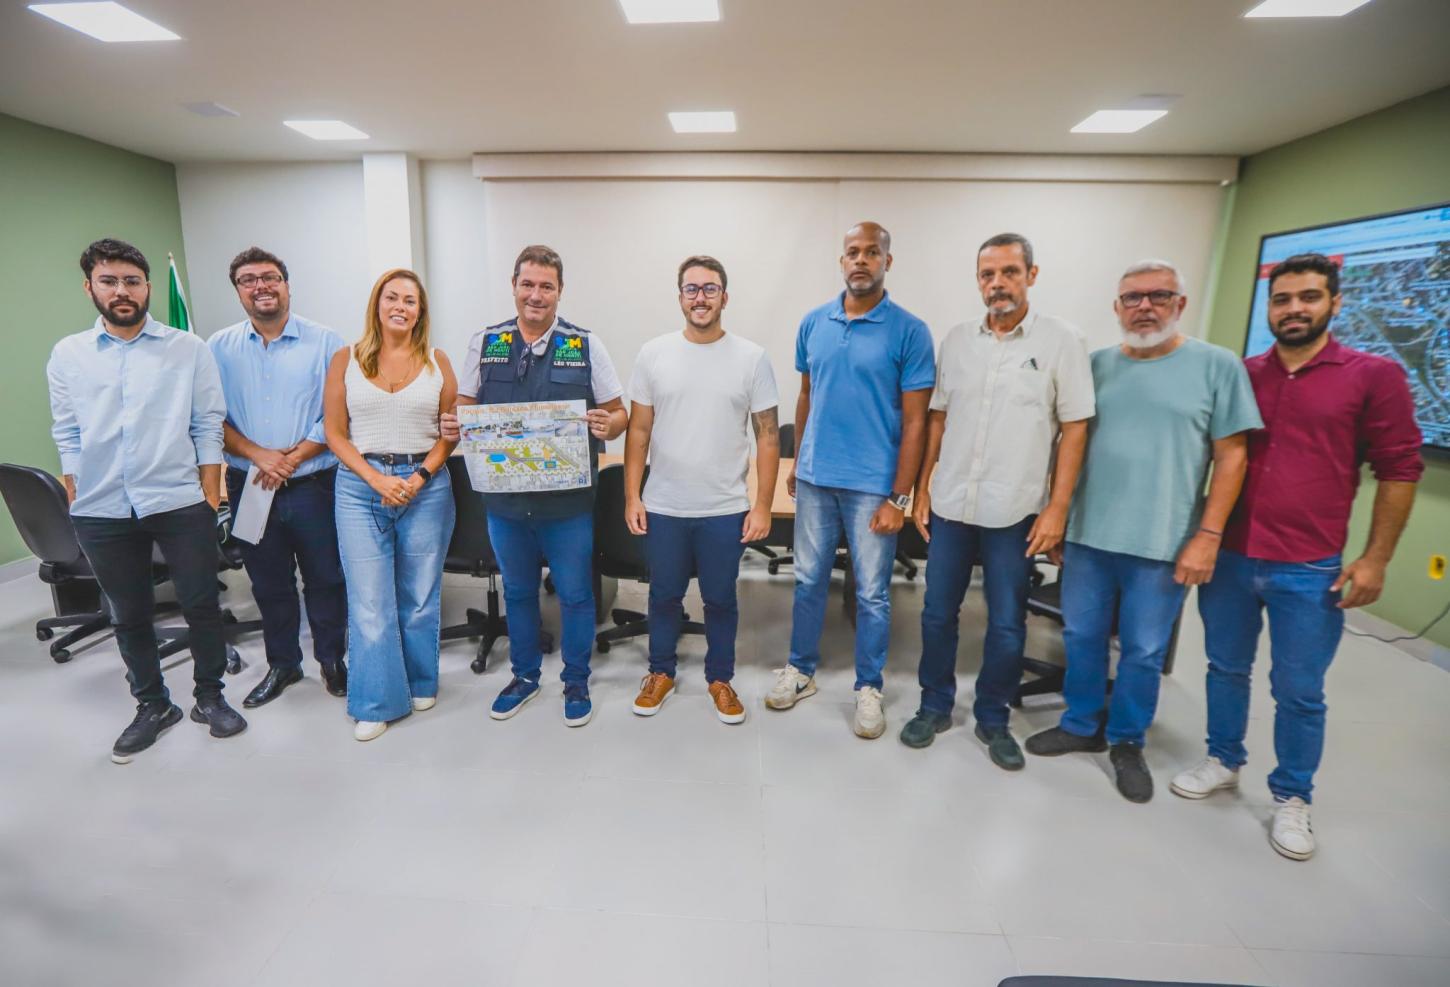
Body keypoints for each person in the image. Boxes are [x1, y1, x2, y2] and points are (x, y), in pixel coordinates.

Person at [1170, 253, 1423, 860]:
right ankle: (1223, 759)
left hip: (1309, 565)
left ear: (1335, 302)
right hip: (1231, 555)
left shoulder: (1373, 375)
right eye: (1282, 299)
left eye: (1308, 297)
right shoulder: (1243, 374)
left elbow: (1399, 469)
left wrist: (1376, 559)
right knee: (1225, 668)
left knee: (1299, 688)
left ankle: (1292, 796)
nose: (1294, 309)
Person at [1025, 260, 1261, 803]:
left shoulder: (1216, 366)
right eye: (1132, 298)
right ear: (1117, 307)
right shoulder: (1095, 367)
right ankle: (1081, 723)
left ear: (1180, 304)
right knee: (1081, 635)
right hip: (1088, 535)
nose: (1145, 307)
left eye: (1159, 296)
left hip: (1163, 543)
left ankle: (1126, 740)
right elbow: (1068, 444)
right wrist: (1059, 515)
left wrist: (1208, 535)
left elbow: (1232, 457)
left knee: (1144, 650)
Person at [900, 233, 1095, 769]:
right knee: (937, 614)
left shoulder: (1062, 341)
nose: (998, 283)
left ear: (1032, 275)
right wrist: (923, 487)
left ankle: (993, 717)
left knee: (1007, 622)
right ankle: (934, 706)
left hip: (1015, 511)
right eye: (988, 274)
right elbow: (938, 418)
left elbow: (1075, 429)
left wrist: (1058, 508)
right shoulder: (958, 340)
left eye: (1009, 272)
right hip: (952, 504)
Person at [48, 238, 246, 763]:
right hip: (102, 506)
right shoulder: (69, 354)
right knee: (129, 614)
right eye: (109, 281)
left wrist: (209, 493)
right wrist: (75, 486)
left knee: (201, 606)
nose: (122, 291)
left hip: (178, 500)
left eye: (132, 281)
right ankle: (153, 705)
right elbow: (66, 430)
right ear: (90, 287)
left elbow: (207, 423)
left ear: (147, 287)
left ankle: (210, 697)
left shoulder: (187, 348)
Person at [444, 245, 627, 727]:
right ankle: (524, 677)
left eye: (547, 286)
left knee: (576, 595)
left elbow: (619, 412)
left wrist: (608, 424)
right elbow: (465, 406)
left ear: (560, 291)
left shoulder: (584, 345)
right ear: (513, 286)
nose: (536, 295)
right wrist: (455, 423)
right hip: (506, 504)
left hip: (567, 505)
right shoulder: (487, 342)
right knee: (520, 593)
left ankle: (576, 680)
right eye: (528, 284)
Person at [765, 222, 936, 739]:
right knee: (807, 580)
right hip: (816, 478)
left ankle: (869, 686)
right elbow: (806, 394)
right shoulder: (814, 322)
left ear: (887, 261)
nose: (861, 260)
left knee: (873, 593)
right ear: (842, 261)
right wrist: (798, 461)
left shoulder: (910, 331)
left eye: (871, 252)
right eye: (852, 252)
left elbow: (916, 422)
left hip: (872, 486)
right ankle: (800, 670)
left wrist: (899, 496)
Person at [624, 255, 781, 724]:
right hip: (666, 505)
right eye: (691, 289)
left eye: (710, 289)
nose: (700, 297)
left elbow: (768, 437)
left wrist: (762, 506)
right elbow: (638, 431)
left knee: (720, 599)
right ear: (680, 298)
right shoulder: (654, 354)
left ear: (724, 298)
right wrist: (632, 496)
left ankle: (720, 679)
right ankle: (660, 673)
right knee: (664, 596)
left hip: (724, 507)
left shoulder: (751, 358)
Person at [208, 247, 349, 708]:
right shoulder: (217, 348)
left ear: (287, 284)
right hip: (250, 484)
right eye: (248, 280)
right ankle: (283, 664)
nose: (261, 286)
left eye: (270, 277)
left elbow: (339, 413)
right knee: (269, 584)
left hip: (315, 486)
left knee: (326, 579)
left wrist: (293, 457)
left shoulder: (326, 342)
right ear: (238, 291)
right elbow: (211, 418)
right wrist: (259, 456)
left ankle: (332, 660)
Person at [323, 268, 457, 741]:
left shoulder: (437, 361)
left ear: (421, 312)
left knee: (419, 597)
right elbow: (334, 433)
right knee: (370, 601)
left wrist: (418, 478)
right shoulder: (346, 359)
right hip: (360, 488)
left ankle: (421, 681)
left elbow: (448, 433)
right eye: (391, 297)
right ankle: (376, 701)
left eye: (410, 300)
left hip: (426, 486)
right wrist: (376, 477)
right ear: (377, 305)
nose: (400, 306)